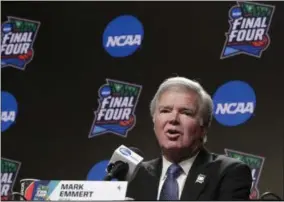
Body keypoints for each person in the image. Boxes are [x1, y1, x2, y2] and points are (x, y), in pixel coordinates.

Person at [126, 77, 252, 200]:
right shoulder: (134, 175)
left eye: (186, 112)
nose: (173, 119)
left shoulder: (228, 173)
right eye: (165, 111)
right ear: (154, 123)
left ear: (203, 128)